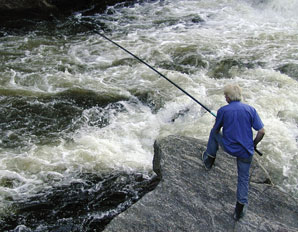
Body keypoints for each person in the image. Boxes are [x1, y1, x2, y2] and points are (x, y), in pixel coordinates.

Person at [202, 84, 265, 221]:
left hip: (229, 147)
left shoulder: (223, 110)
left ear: (229, 97)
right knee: (243, 179)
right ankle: (239, 209)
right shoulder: (250, 110)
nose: (225, 98)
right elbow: (261, 131)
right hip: (246, 151)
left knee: (213, 134)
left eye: (225, 96)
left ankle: (209, 160)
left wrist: (219, 120)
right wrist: (253, 144)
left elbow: (216, 129)